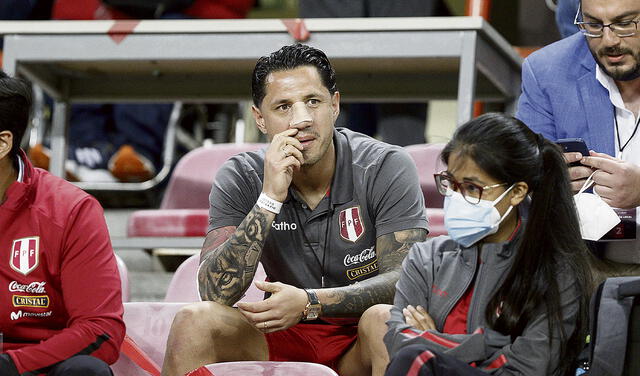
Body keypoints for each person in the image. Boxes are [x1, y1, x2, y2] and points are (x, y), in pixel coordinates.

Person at [161, 44, 429, 376]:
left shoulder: (384, 165)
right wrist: (270, 196)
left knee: (385, 320)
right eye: (283, 106)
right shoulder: (241, 175)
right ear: (260, 118)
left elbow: (406, 280)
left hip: (358, 339)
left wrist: (310, 302)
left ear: (335, 105)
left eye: (313, 102)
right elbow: (215, 291)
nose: (301, 119)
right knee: (194, 321)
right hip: (282, 336)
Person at [381, 113, 593, 375]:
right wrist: (487, 342)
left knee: (419, 361)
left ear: (516, 192)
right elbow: (397, 342)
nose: (456, 197)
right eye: (451, 184)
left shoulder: (553, 268)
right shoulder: (427, 257)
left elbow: (528, 368)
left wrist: (434, 343)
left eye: (472, 188)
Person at [0, 71, 125, 375]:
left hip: (35, 362)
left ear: (3, 144)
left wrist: (12, 365)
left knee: (86, 371)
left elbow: (101, 331)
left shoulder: (70, 211)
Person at [516, 0, 640, 267]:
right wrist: (551, 184)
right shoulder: (547, 71)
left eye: (625, 24)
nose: (609, 40)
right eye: (593, 25)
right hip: (584, 262)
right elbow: (521, 175)